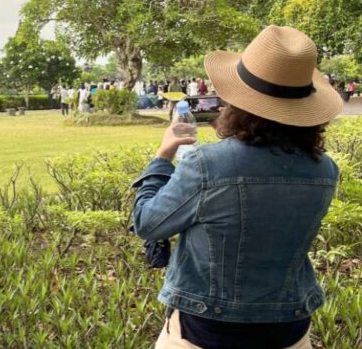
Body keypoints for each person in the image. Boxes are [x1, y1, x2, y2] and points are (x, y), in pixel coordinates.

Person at [132, 26, 343, 349]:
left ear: (237, 101)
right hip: (290, 327)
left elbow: (148, 223)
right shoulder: (324, 170)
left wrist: (162, 157)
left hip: (208, 330)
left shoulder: (207, 164)